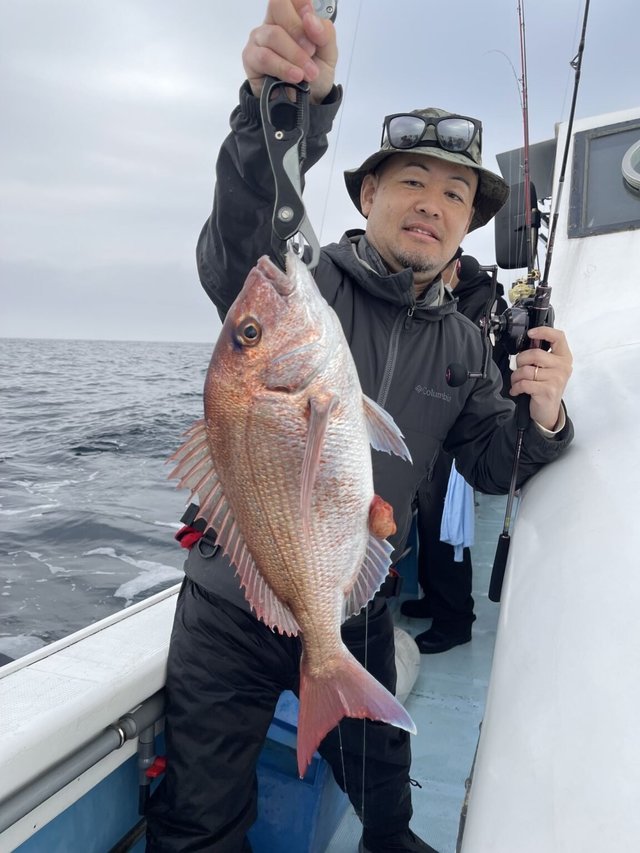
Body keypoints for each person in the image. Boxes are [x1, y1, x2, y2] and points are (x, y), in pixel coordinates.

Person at [145, 3, 574, 852]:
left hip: (354, 600)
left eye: (455, 193)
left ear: (467, 224)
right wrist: (285, 101)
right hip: (232, 600)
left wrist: (547, 408)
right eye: (411, 181)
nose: (433, 204)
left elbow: (497, 459)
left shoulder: (461, 339)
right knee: (198, 820)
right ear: (368, 192)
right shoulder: (302, 283)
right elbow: (249, 223)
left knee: (389, 801)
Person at [402, 251, 511, 653]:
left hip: (456, 432)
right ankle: (434, 599)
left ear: (453, 268)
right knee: (432, 527)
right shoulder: (459, 295)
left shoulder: (476, 305)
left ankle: (455, 621)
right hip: (433, 431)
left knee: (449, 531)